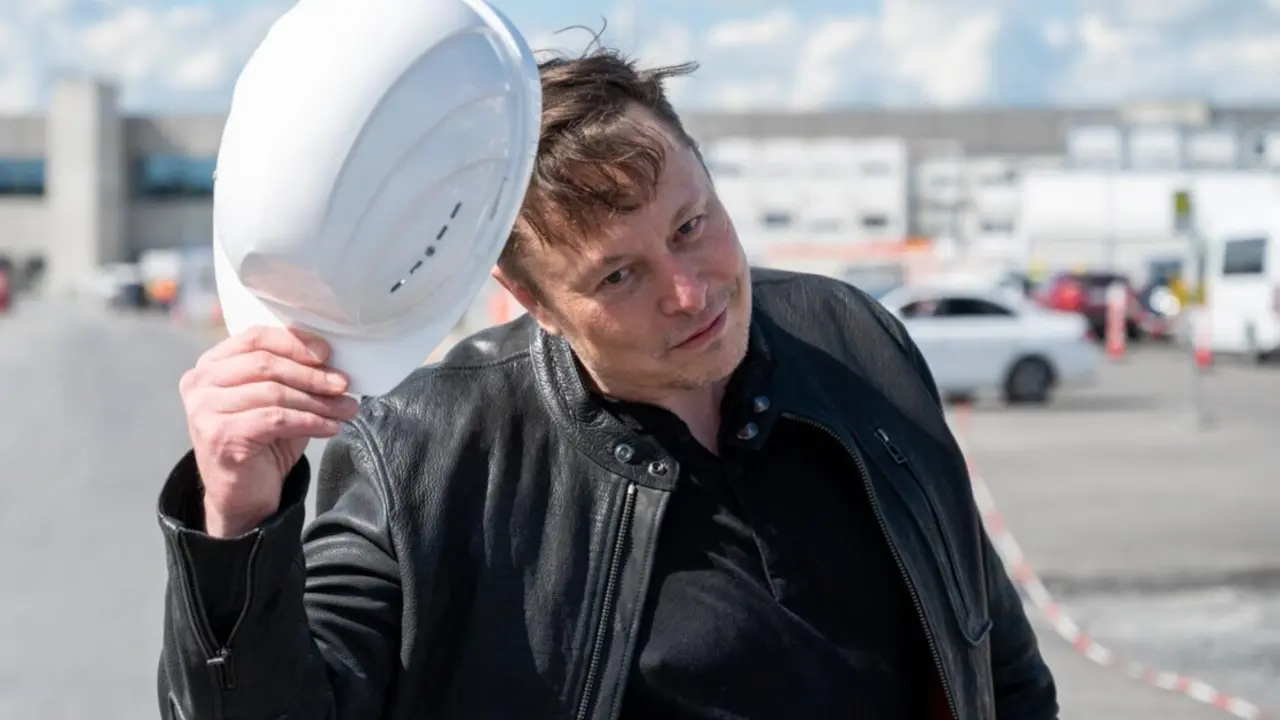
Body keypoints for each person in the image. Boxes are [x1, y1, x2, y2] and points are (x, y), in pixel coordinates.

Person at [157, 48, 1058, 720]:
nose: (691, 290)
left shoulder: (855, 340)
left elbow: (997, 662)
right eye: (618, 277)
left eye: (693, 224)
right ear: (532, 300)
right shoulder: (422, 454)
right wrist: (236, 525)